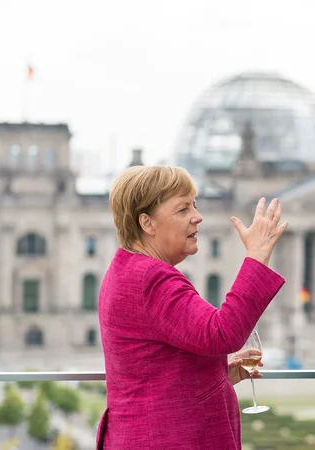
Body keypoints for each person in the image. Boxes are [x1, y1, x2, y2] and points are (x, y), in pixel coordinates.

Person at [96, 165, 288, 449]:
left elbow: (154, 368)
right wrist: (257, 256)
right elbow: (223, 333)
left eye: (195, 206)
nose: (198, 217)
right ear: (147, 223)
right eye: (183, 209)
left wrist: (217, 374)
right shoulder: (152, 278)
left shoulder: (128, 268)